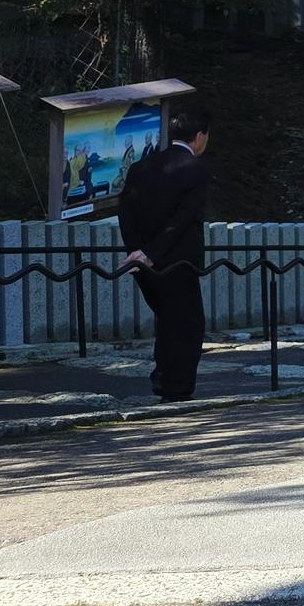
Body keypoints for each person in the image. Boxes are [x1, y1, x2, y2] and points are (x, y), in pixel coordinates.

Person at [118, 108, 212, 401]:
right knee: (187, 324)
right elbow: (183, 218)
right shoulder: (195, 169)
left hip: (143, 263)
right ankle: (176, 386)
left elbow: (125, 212)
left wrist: (136, 250)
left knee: (167, 318)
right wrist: (151, 253)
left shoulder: (141, 167)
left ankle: (162, 376)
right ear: (199, 136)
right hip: (178, 261)